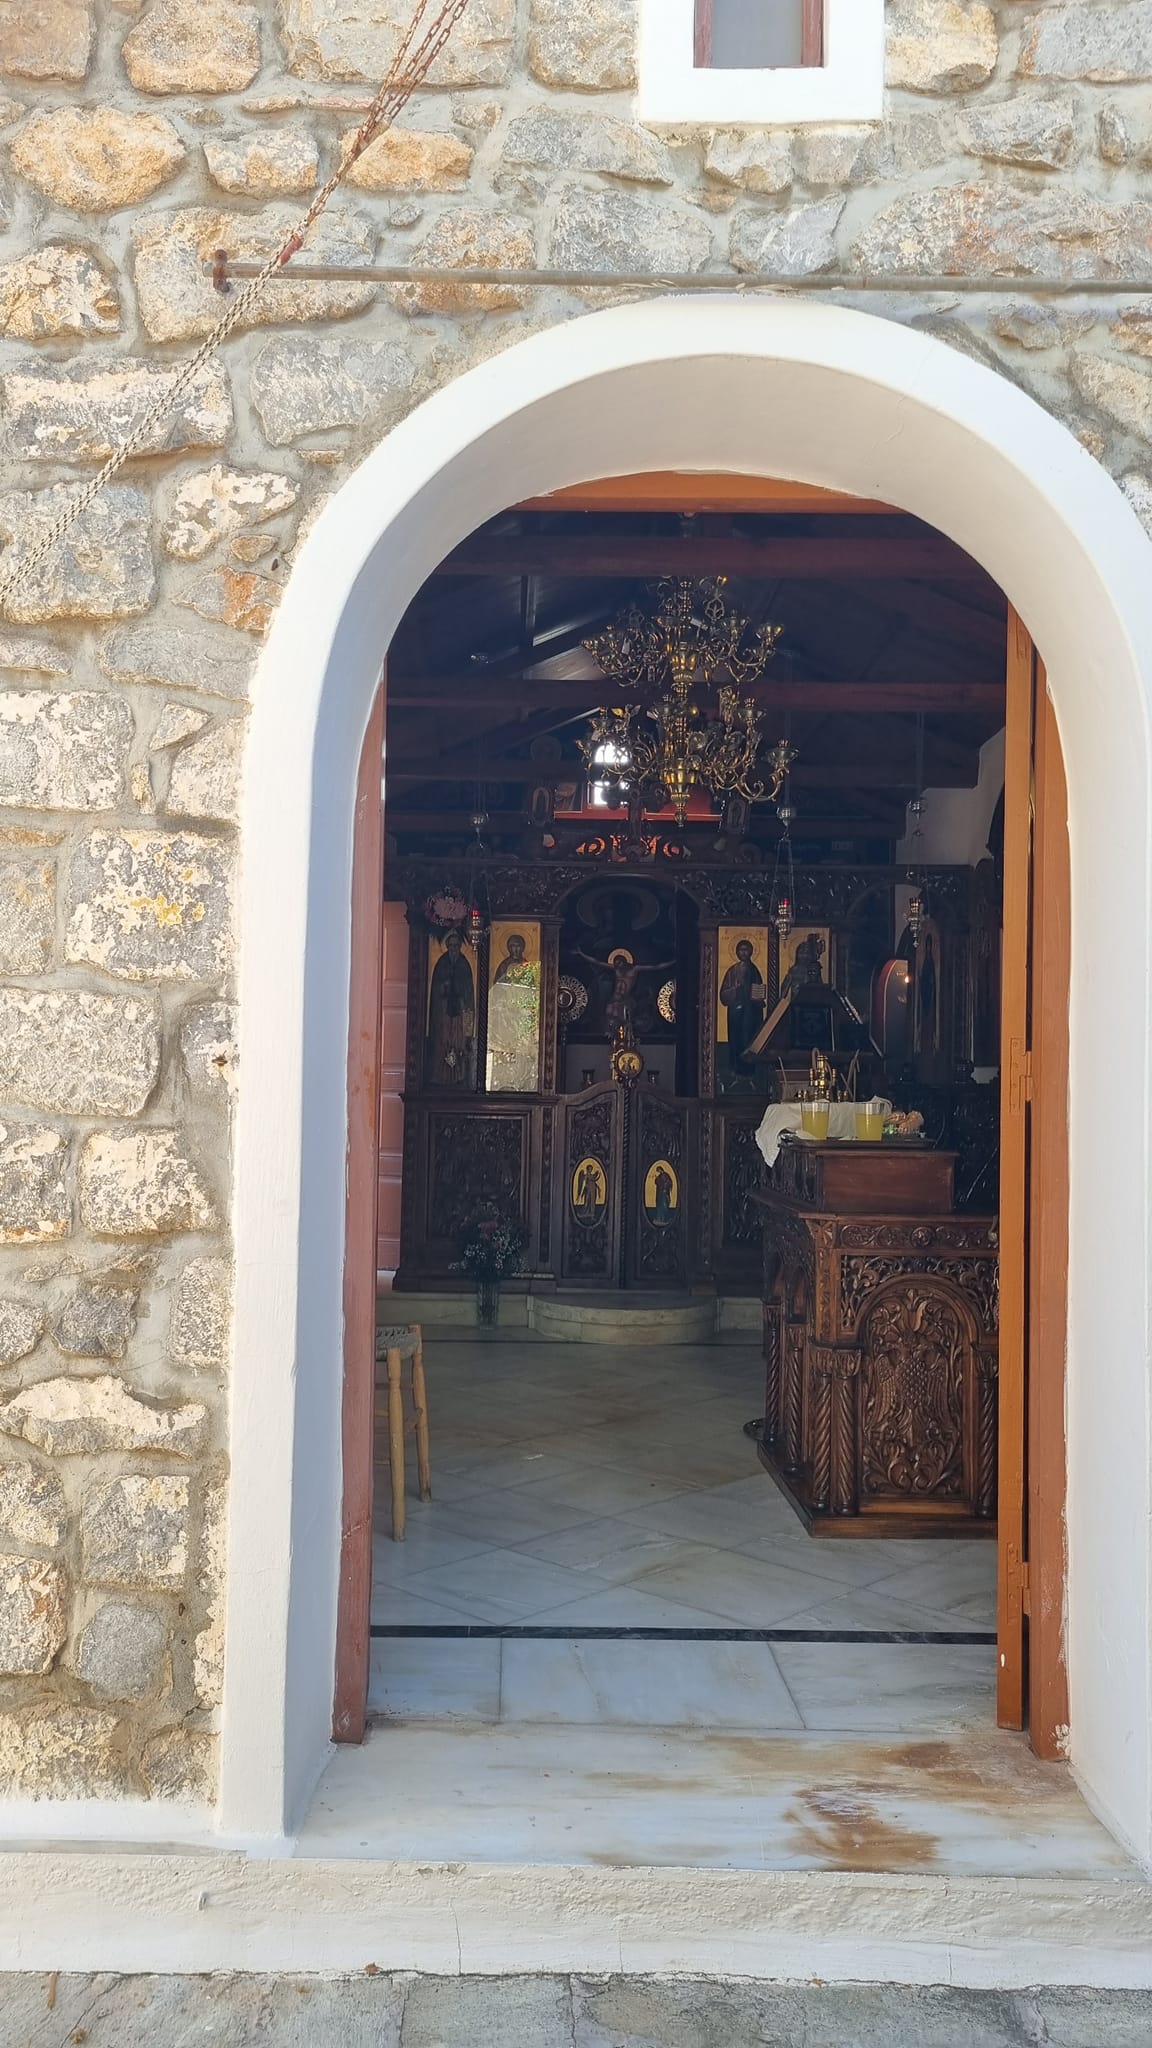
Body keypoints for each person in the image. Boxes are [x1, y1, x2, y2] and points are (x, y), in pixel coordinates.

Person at [427, 928, 475, 1086]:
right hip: (444, 1012)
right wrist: (444, 987)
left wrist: (459, 992)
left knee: (458, 1041)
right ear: (447, 947)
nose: (454, 949)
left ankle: (458, 1076)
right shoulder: (441, 963)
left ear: (460, 947)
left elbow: (468, 990)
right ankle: (442, 1075)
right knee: (444, 1041)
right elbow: (436, 988)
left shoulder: (464, 964)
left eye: (456, 946)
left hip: (459, 1012)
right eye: (451, 946)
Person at [720, 939, 767, 1071]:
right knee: (736, 1039)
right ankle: (735, 1068)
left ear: (751, 952)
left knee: (749, 1039)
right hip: (736, 1011)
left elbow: (758, 990)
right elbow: (723, 993)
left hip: (751, 1012)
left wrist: (757, 998)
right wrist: (735, 990)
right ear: (737, 952)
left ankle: (749, 1070)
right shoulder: (732, 971)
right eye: (741, 950)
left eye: (746, 950)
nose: (744, 953)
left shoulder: (754, 971)